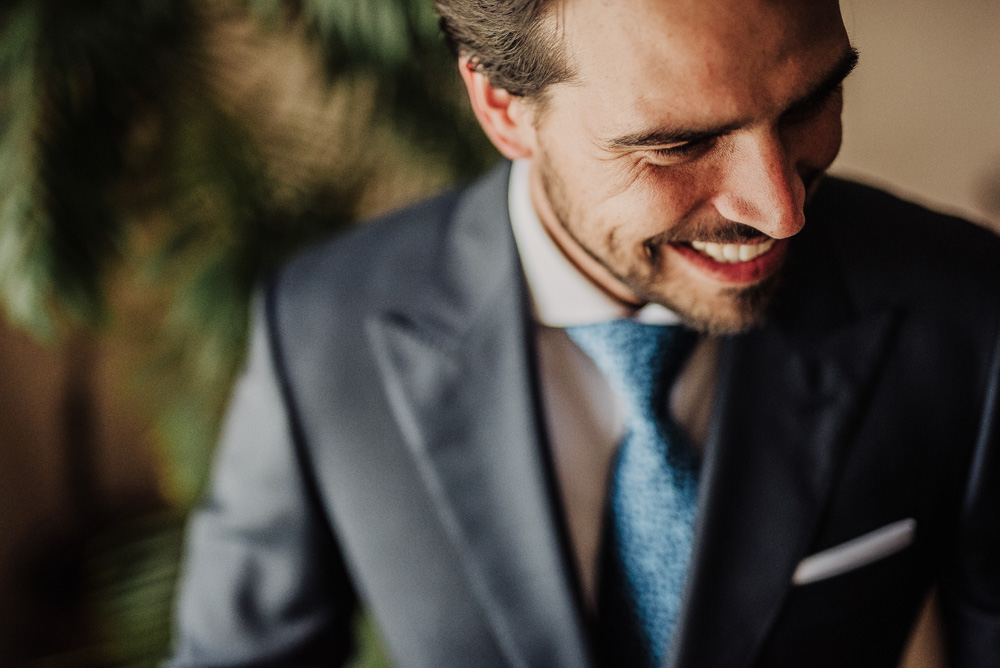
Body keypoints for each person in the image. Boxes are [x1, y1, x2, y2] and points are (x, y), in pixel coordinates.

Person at [169, 0, 1000, 666]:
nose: (780, 210)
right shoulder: (321, 327)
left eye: (812, 102)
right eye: (678, 144)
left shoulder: (966, 307)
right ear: (503, 108)